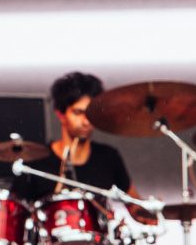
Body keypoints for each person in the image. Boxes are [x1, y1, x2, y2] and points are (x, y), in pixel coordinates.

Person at [10, 72, 151, 222]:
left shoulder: (108, 157)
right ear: (61, 114)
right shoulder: (35, 161)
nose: (86, 121)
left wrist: (151, 212)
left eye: (90, 113)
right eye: (78, 113)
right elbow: (14, 215)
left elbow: (134, 206)